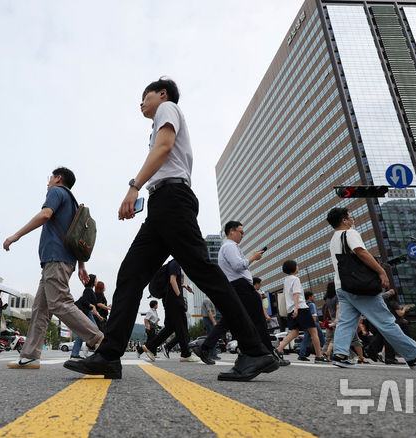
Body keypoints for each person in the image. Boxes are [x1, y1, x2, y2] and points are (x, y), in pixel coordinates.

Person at [64, 77, 278, 381]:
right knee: (130, 274)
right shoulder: (159, 122)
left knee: (204, 271)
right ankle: (109, 355)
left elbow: (164, 148)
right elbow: (160, 150)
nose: (141, 103)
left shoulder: (168, 108)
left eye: (144, 96)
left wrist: (133, 186)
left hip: (172, 200)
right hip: (162, 203)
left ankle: (255, 350)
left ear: (161, 94)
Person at [4, 167, 104, 369]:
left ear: (58, 179)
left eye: (50, 178)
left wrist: (16, 235)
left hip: (56, 259)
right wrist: (82, 265)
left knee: (59, 302)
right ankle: (30, 355)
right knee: (40, 309)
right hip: (61, 260)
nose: (48, 182)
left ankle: (99, 339)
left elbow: (45, 214)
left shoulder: (56, 192)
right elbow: (76, 236)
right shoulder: (74, 204)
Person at [326, 207, 416, 369]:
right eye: (350, 216)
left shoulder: (334, 239)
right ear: (344, 220)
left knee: (345, 322)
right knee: (386, 321)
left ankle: (340, 354)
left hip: (342, 287)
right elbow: (361, 252)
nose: (353, 219)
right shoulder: (350, 233)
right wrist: (381, 271)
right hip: (358, 287)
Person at [192, 222, 287, 367]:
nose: (243, 235)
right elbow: (238, 266)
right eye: (241, 232)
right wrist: (252, 258)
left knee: (231, 319)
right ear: (231, 231)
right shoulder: (229, 246)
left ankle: (205, 347)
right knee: (258, 320)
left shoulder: (229, 246)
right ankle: (269, 354)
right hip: (241, 286)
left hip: (236, 286)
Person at [140, 260, 199, 363]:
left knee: (169, 328)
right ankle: (186, 354)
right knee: (182, 326)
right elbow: (172, 280)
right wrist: (179, 296)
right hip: (174, 301)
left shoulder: (172, 264)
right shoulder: (176, 263)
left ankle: (149, 347)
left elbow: (172, 281)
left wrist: (183, 286)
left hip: (169, 301)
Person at [275, 260, 328, 363]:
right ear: (294, 268)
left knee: (294, 332)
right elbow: (296, 294)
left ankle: (277, 350)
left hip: (291, 310)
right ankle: (319, 356)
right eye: (297, 265)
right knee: (314, 332)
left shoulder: (286, 280)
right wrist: (296, 308)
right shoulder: (295, 279)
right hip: (301, 308)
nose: (298, 267)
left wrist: (293, 309)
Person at [70, 275, 103, 359]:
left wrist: (98, 315)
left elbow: (92, 306)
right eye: (96, 279)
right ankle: (93, 351)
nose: (96, 281)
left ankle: (75, 354)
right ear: (92, 281)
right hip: (87, 313)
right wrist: (93, 306)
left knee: (82, 334)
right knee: (97, 332)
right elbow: (85, 301)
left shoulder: (90, 290)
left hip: (88, 313)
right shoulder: (88, 290)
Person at [297, 291, 328, 361]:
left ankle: (301, 355)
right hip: (313, 325)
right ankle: (328, 354)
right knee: (322, 339)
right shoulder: (311, 304)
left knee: (305, 340)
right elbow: (313, 316)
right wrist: (316, 322)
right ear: (310, 297)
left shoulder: (303, 304)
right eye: (313, 296)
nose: (313, 298)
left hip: (306, 324)